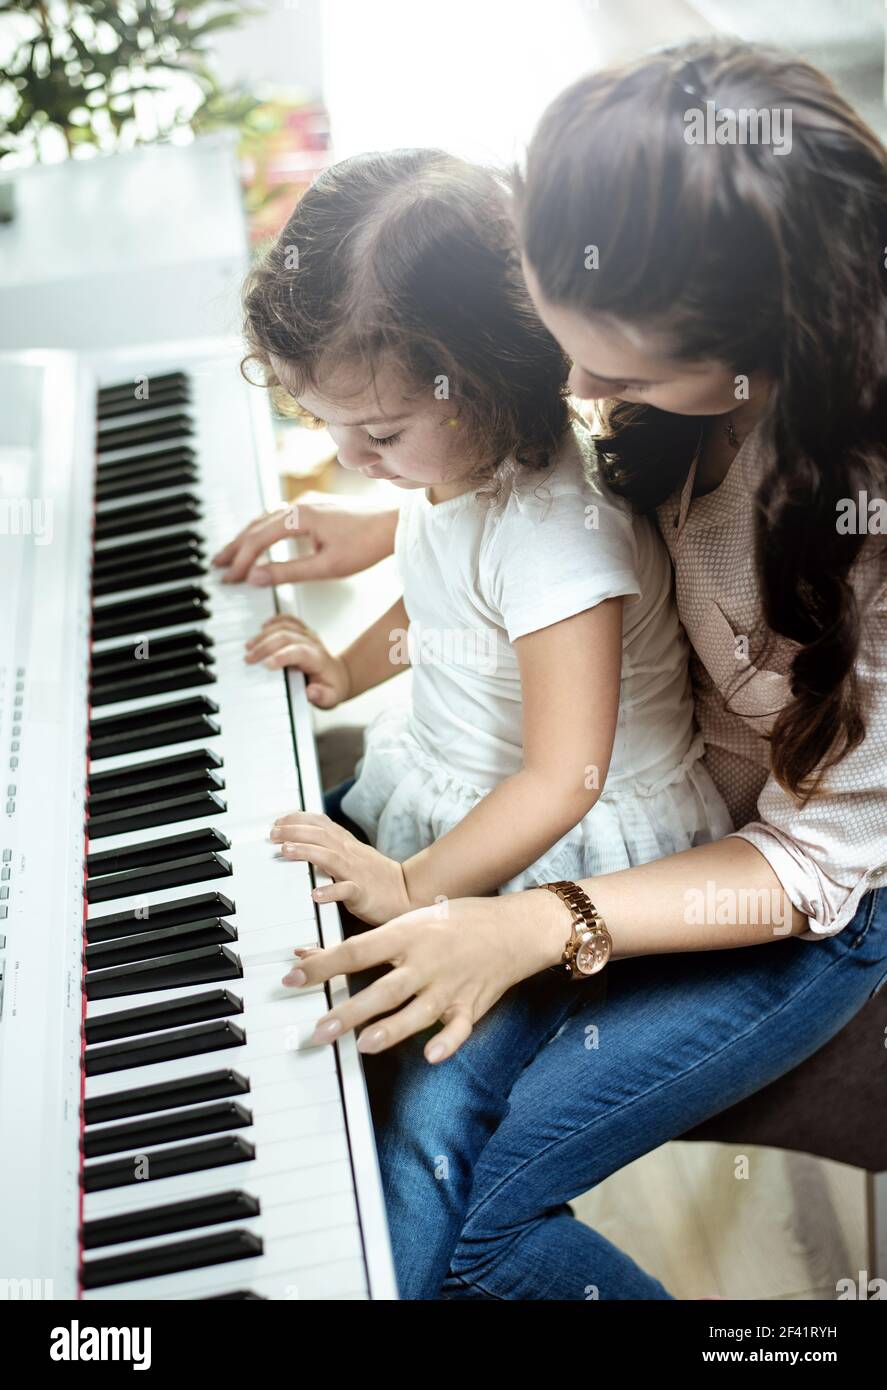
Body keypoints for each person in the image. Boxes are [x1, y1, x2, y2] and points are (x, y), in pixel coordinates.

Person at [215, 39, 887, 1299]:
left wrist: (519, 919)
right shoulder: (615, 360)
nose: (572, 394)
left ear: (777, 341)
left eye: (619, 376)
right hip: (592, 801)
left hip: (783, 890)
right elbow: (517, 514)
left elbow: (802, 856)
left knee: (442, 1237)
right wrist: (393, 523)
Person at [215, 147, 730, 928]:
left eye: (379, 433)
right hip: (465, 787)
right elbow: (445, 603)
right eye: (327, 423)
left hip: (556, 847)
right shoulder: (458, 463)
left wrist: (413, 889)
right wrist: (345, 673)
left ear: (488, 387)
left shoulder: (554, 541)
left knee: (438, 1037)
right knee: (262, 867)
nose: (348, 459)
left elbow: (564, 779)